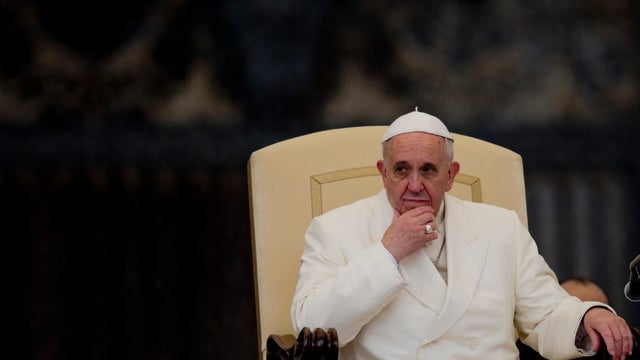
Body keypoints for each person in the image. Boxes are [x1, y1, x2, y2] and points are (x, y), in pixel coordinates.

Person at [290, 110, 634, 359]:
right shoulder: (334, 229)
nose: (413, 185)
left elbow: (544, 315)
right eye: (401, 170)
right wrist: (388, 252)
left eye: (428, 170)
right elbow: (311, 326)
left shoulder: (501, 227)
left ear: (451, 175)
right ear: (383, 173)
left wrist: (588, 315)